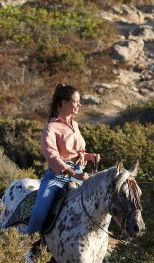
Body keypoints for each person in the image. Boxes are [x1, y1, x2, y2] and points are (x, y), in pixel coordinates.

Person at [26, 83, 100, 235]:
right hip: (57, 176)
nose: (79, 105)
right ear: (63, 103)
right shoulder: (51, 128)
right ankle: (28, 246)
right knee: (39, 214)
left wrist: (89, 156)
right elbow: (52, 156)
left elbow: (72, 153)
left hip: (80, 174)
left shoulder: (76, 125)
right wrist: (74, 173)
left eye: (79, 101)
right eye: (75, 101)